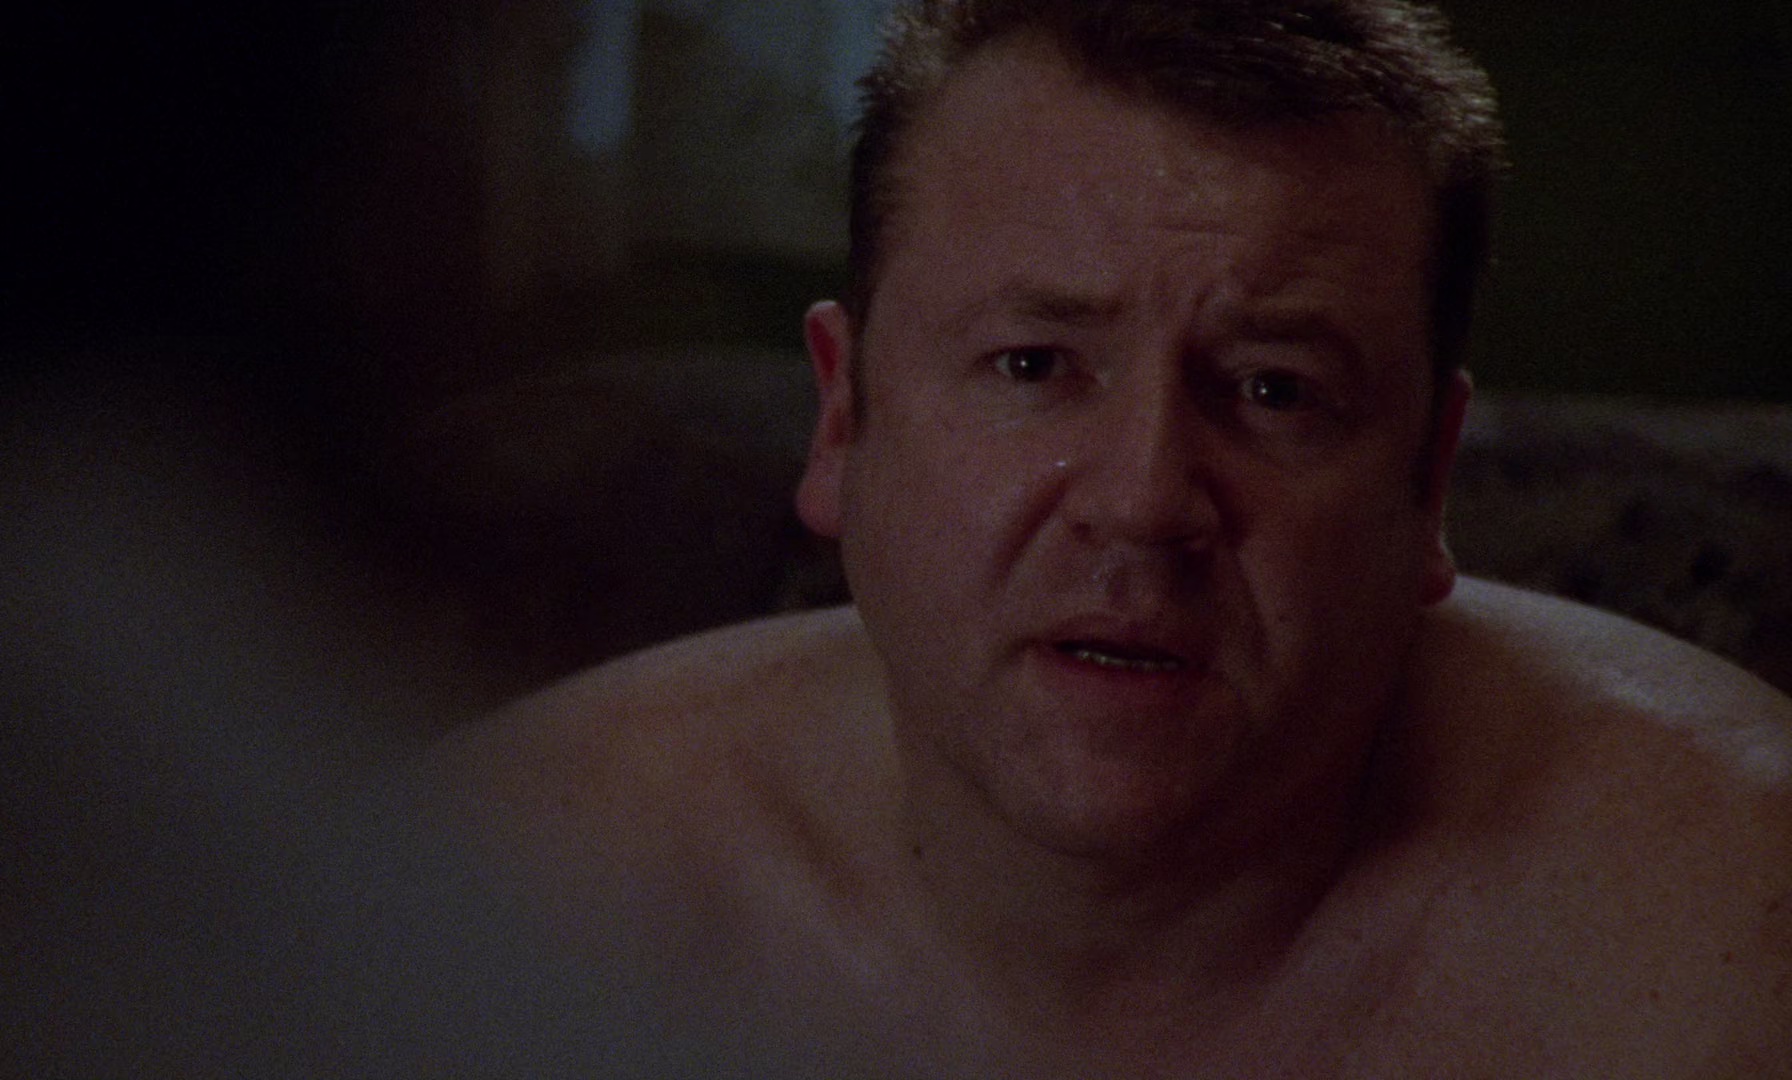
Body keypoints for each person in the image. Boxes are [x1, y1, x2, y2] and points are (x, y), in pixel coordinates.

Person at [429, 1, 1792, 1074]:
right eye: (1033, 365)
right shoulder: (512, 887)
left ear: (1427, 477)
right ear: (842, 416)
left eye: (1275, 391)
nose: (1144, 502)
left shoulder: (1730, 944)